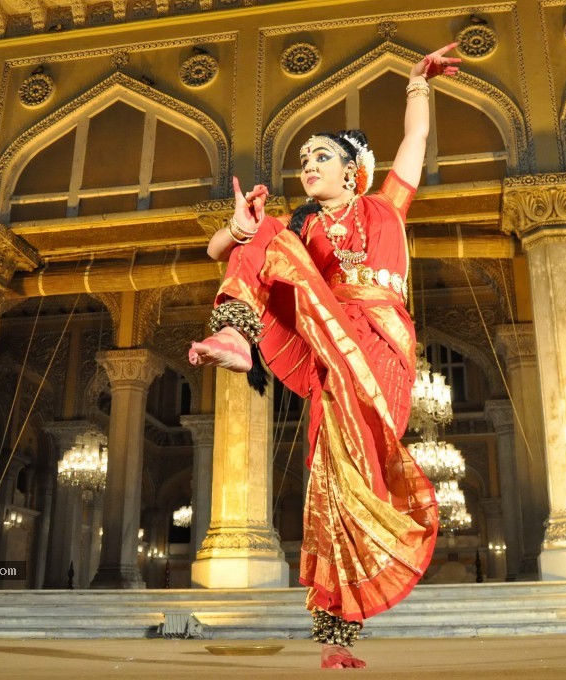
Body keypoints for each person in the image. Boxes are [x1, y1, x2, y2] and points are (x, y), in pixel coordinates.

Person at [189, 44, 461, 669]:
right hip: (326, 332)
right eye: (304, 158)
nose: (308, 165)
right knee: (327, 485)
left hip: (381, 341)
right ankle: (234, 334)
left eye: (321, 157)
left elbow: (415, 139)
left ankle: (364, 584)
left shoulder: (386, 205)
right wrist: (237, 225)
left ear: (352, 170)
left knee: (360, 476)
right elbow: (215, 252)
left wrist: (418, 83)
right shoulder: (302, 226)